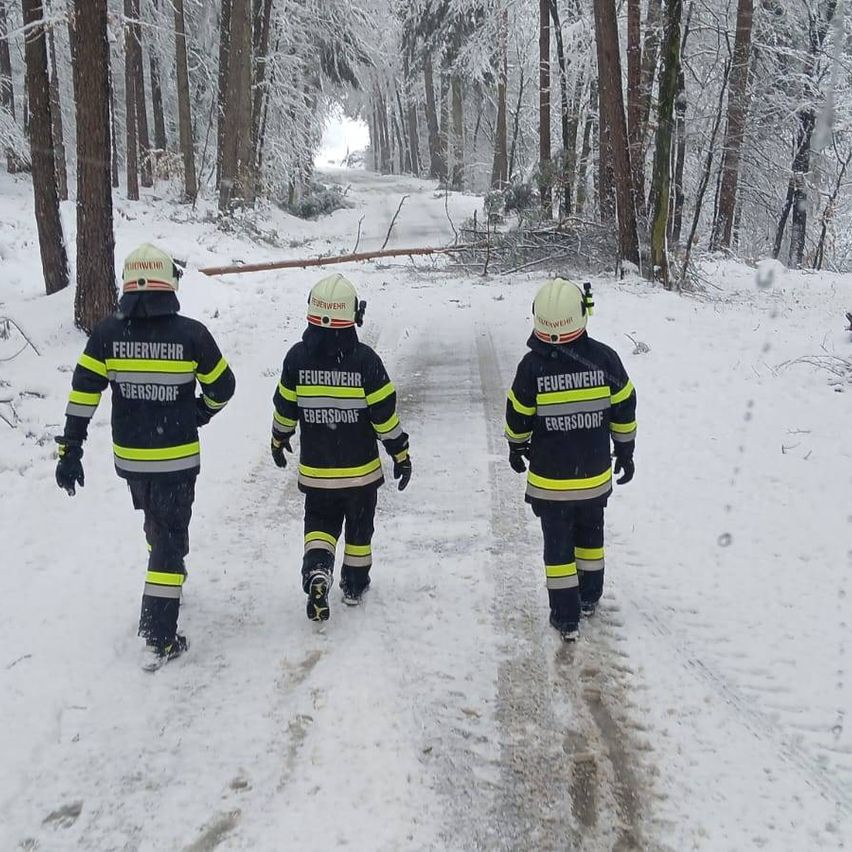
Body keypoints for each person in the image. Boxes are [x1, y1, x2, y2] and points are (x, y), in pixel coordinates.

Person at [55, 244, 236, 663]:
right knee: (170, 536)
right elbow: (223, 388)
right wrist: (198, 414)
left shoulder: (106, 335)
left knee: (159, 521)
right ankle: (159, 634)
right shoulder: (191, 335)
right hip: (177, 458)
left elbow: (83, 394)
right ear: (168, 284)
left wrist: (71, 448)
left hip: (132, 459)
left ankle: (168, 564)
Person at [270, 273, 411, 622]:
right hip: (361, 475)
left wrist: (278, 438)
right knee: (359, 532)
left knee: (319, 524)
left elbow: (285, 408)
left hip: (318, 474)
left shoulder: (296, 359)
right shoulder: (366, 361)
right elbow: (384, 419)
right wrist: (400, 453)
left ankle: (318, 573)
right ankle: (353, 584)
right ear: (353, 316)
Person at [504, 277, 636, 641]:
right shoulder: (606, 359)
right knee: (591, 538)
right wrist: (625, 450)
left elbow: (518, 415)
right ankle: (590, 596)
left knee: (558, 547)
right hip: (593, 480)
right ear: (582, 315)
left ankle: (565, 617)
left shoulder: (531, 368)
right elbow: (624, 408)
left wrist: (516, 447)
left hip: (551, 484)